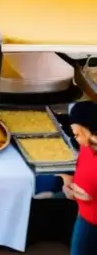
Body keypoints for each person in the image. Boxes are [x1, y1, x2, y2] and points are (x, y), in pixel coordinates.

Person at [61, 101, 97, 255]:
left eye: (77, 134)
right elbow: (78, 169)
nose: (76, 139)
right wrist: (67, 182)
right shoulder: (86, 145)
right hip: (84, 216)